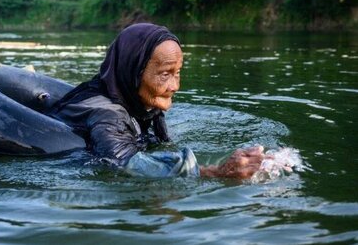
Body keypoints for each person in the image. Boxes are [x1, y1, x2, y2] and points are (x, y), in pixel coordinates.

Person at [49, 23, 265, 178]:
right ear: (133, 71)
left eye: (177, 72)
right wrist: (217, 172)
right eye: (164, 74)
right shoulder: (109, 116)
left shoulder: (137, 103)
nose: (175, 86)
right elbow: (125, 164)